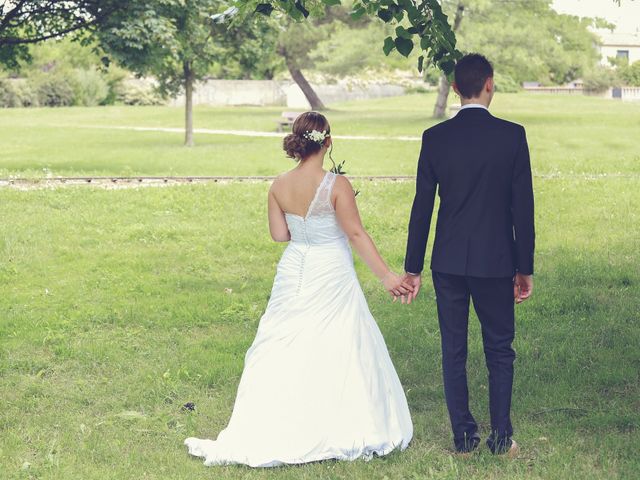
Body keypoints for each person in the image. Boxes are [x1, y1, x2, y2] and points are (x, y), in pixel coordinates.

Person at [184, 111, 414, 467]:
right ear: (328, 142)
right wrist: (387, 277)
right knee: (337, 338)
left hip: (294, 269)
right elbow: (355, 234)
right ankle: (336, 418)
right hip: (331, 269)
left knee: (284, 337)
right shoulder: (337, 185)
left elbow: (279, 235)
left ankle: (279, 416)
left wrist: (305, 231)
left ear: (297, 143)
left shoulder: (278, 184)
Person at [402, 53, 535, 457]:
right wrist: (524, 267)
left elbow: (422, 206)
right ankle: (500, 438)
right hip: (496, 262)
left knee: (453, 348)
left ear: (456, 89)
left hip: (448, 262)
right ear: (489, 84)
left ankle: (463, 439)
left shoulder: (435, 138)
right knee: (499, 349)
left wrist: (413, 267)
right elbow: (522, 208)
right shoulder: (512, 136)